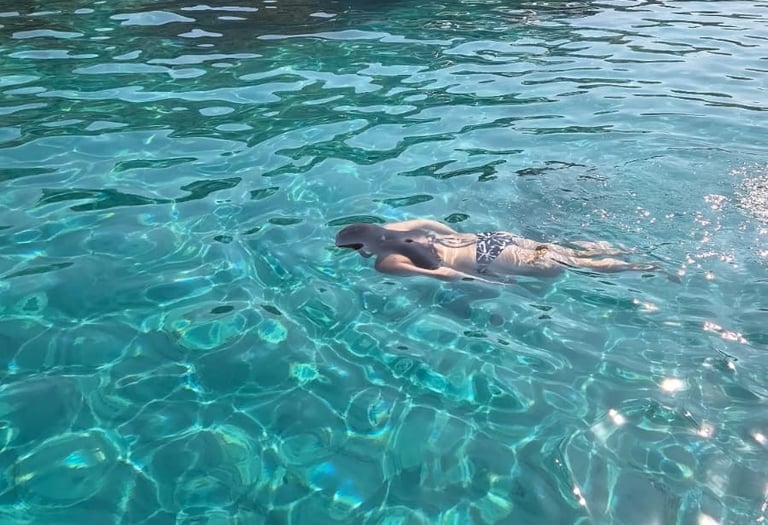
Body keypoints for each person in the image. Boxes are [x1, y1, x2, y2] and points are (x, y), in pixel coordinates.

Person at [335, 219, 657, 282]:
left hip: (486, 259)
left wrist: (491, 282)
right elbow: (434, 223)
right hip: (490, 238)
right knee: (565, 251)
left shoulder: (385, 262)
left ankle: (645, 266)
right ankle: (627, 247)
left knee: (570, 265)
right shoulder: (399, 225)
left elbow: (445, 274)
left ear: (361, 248)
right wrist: (460, 235)